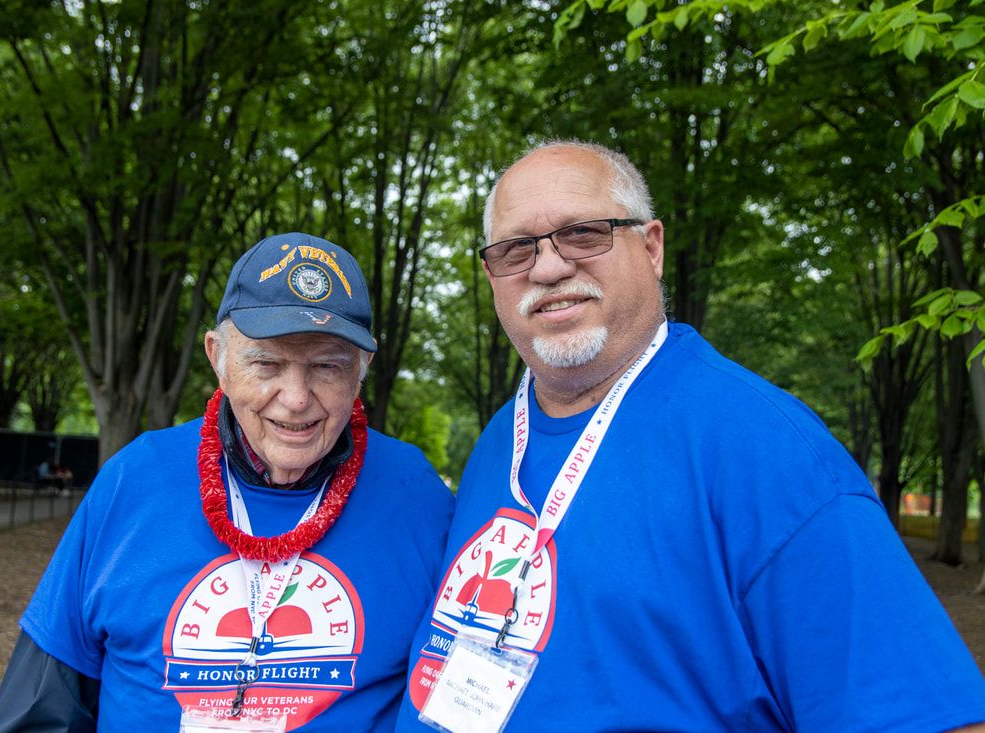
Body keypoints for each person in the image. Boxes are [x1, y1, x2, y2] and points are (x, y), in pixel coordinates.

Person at [396, 141, 985, 732]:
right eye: (516, 248)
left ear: (651, 248)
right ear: (491, 274)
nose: (547, 268)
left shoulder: (766, 449)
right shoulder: (501, 439)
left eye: (583, 234)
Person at [0, 232, 454, 731]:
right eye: (267, 363)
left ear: (362, 369)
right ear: (219, 358)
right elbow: (44, 709)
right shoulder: (134, 479)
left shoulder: (416, 495)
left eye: (326, 366)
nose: (296, 398)